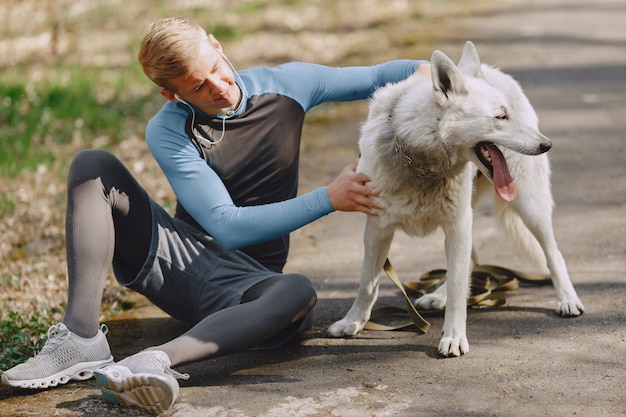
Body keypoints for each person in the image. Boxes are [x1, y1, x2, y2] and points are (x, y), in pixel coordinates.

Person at [1, 16, 429, 415]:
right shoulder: (169, 129)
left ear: (216, 44)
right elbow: (227, 226)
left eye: (217, 69)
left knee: (297, 292)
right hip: (183, 263)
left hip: (248, 285)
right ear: (173, 94)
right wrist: (328, 198)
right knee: (93, 163)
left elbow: (382, 75)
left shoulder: (289, 84)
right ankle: (80, 339)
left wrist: (428, 73)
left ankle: (153, 361)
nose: (220, 88)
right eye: (199, 87)